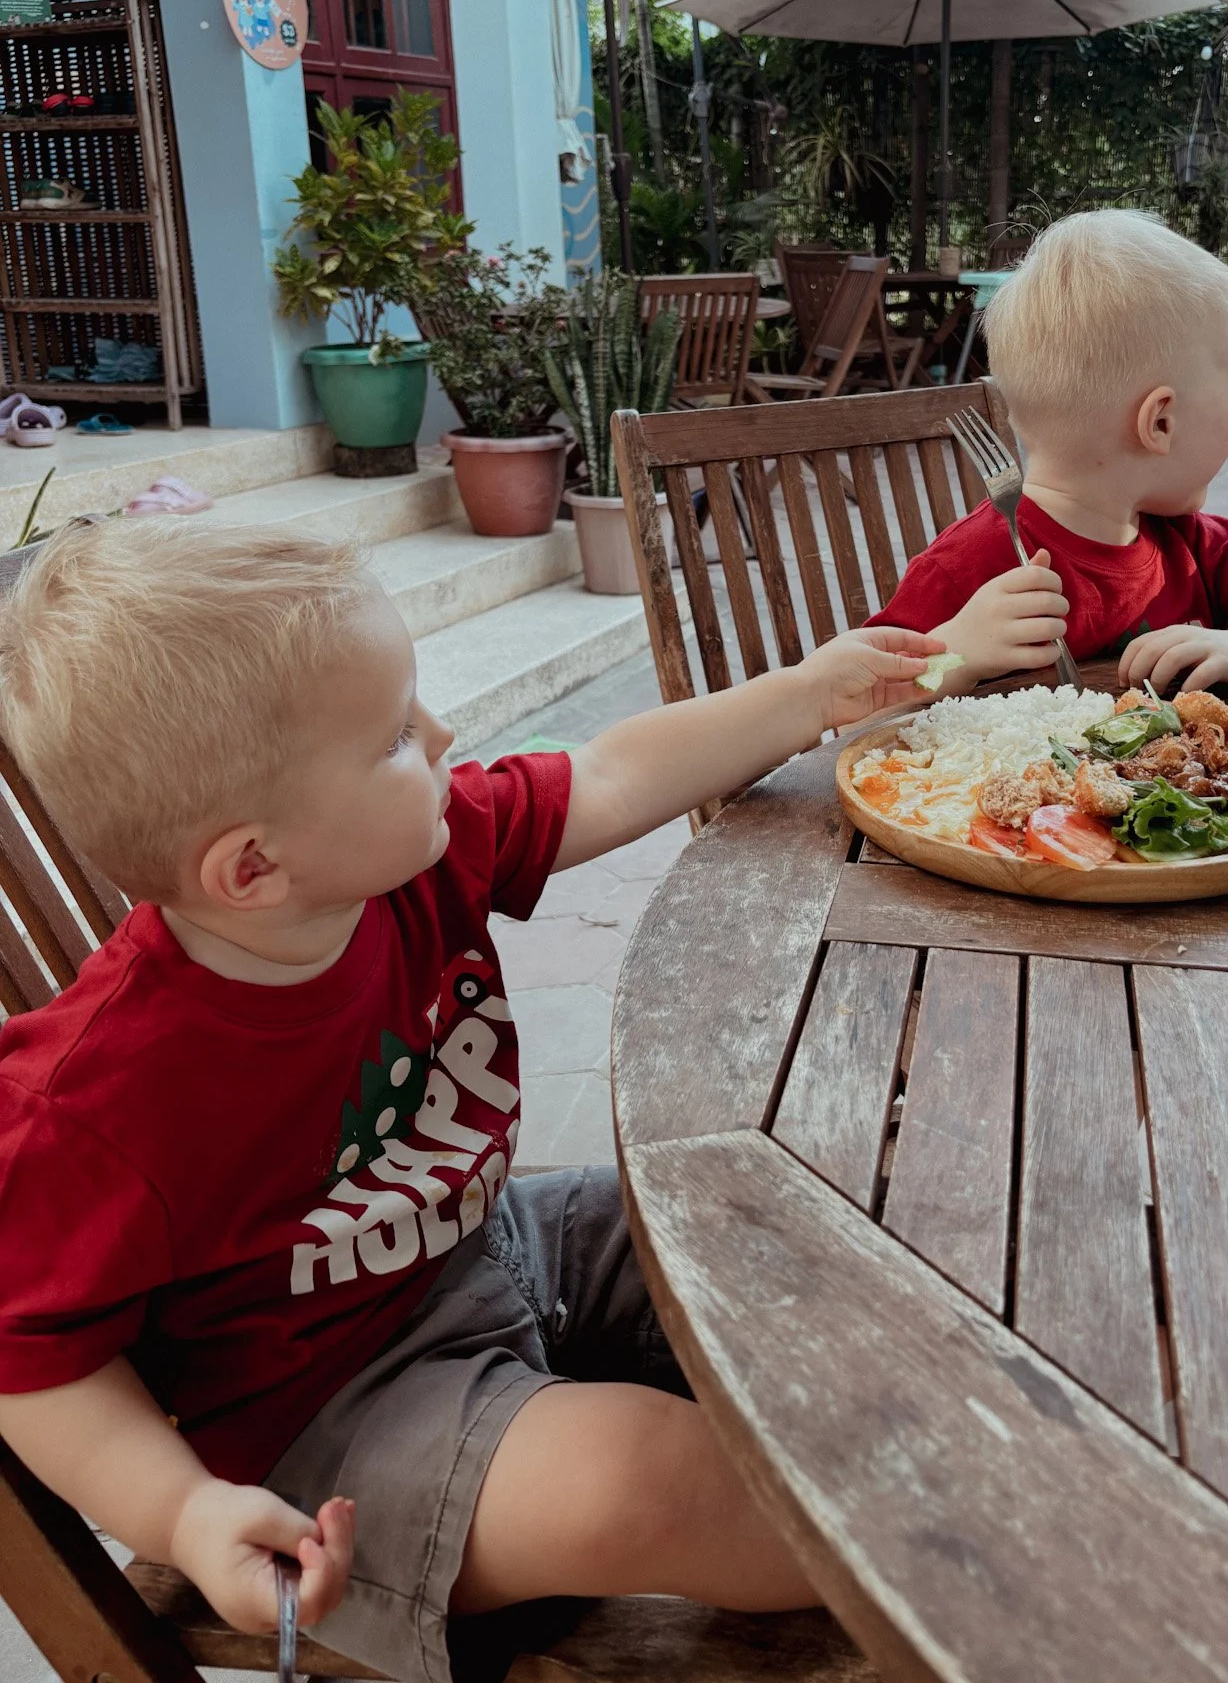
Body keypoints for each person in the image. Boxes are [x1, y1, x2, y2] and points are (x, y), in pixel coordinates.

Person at [0, 521, 945, 1683]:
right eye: (398, 732)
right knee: (645, 1483)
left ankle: (933, 1420)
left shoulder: (408, 853)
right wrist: (184, 1511)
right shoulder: (90, 1102)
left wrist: (808, 692)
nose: (444, 737)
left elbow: (603, 773)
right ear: (253, 866)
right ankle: (965, 1546)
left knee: (763, 1198)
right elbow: (32, 1360)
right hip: (342, 1415)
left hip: (489, 1245)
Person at [869, 209, 1228, 692]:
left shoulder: (1191, 546)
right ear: (1161, 422)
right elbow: (853, 710)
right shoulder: (971, 568)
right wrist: (955, 653)